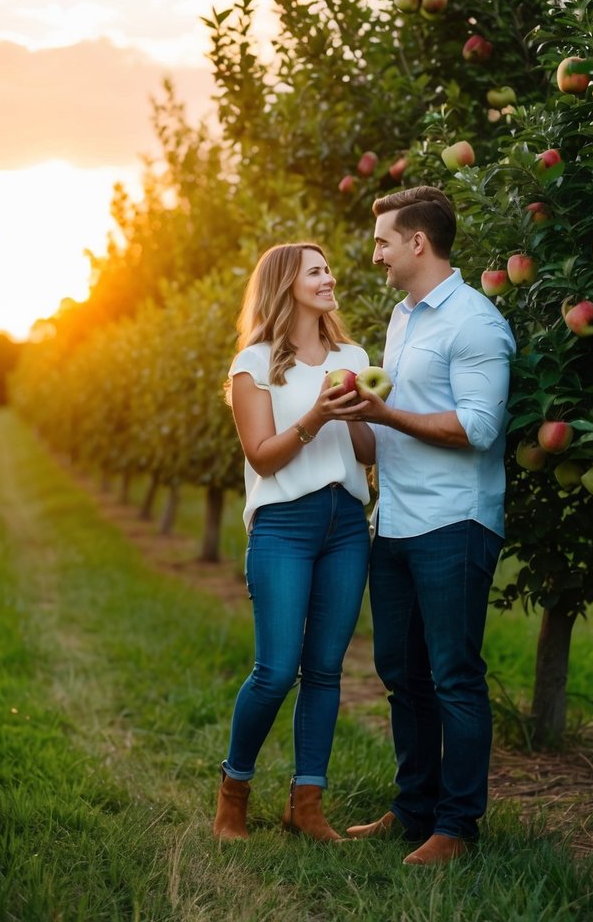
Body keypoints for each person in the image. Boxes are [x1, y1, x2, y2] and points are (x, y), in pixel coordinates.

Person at [338, 186, 515, 866]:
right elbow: (398, 409)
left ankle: (456, 826)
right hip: (397, 521)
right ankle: (413, 809)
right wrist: (359, 413)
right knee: (400, 673)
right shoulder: (401, 316)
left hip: (453, 520)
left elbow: (477, 427)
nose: (375, 252)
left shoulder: (473, 321)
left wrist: (385, 419)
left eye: (383, 240)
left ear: (418, 243)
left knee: (452, 675)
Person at [212, 242, 375, 843]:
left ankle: (306, 804)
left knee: (326, 669)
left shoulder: (352, 356)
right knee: (277, 669)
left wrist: (360, 412)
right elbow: (263, 456)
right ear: (286, 285)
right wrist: (317, 415)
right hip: (284, 524)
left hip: (345, 525)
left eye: (329, 268)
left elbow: (368, 453)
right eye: (316, 271)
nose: (330, 278)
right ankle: (234, 792)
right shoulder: (253, 364)